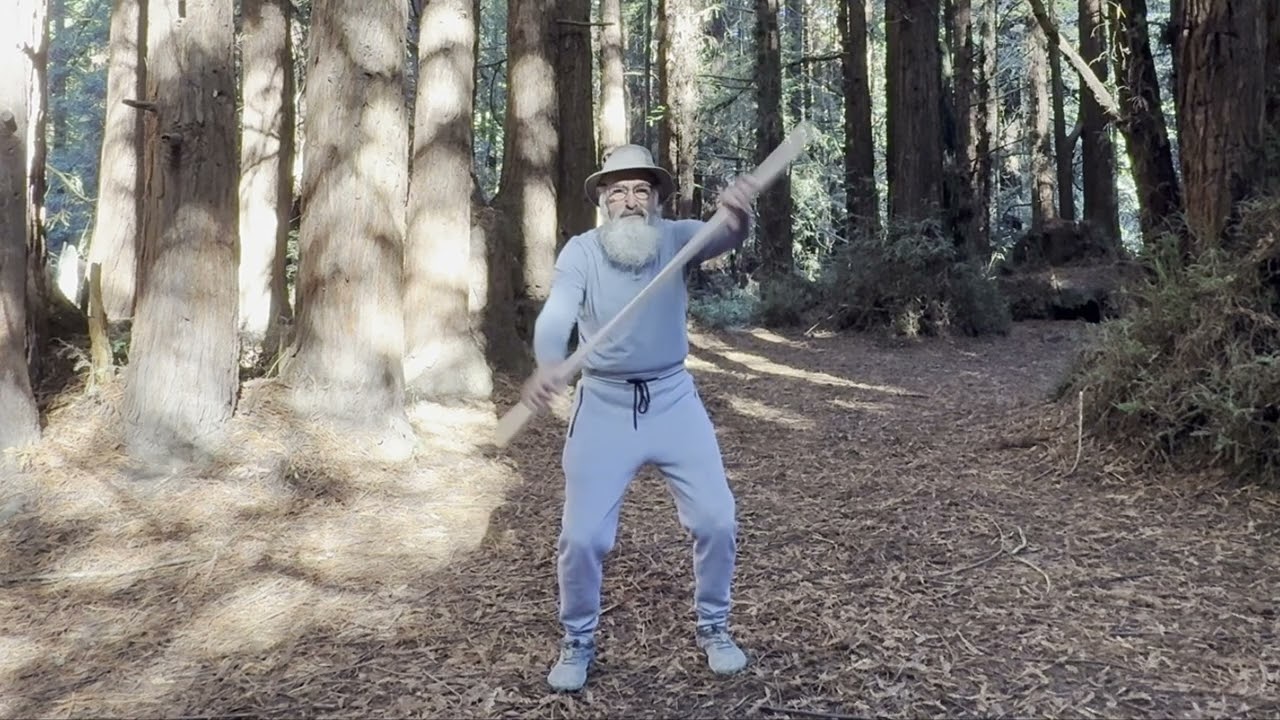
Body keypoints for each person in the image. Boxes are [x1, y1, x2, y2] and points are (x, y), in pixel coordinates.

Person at [521, 144, 759, 692]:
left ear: (654, 201)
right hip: (603, 405)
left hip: (674, 399)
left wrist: (739, 212)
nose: (631, 201)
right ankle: (578, 640)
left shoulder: (675, 239)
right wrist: (549, 362)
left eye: (641, 191)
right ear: (603, 200)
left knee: (717, 519)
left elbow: (723, 235)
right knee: (582, 539)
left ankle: (714, 628)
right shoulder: (580, 252)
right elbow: (557, 313)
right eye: (619, 191)